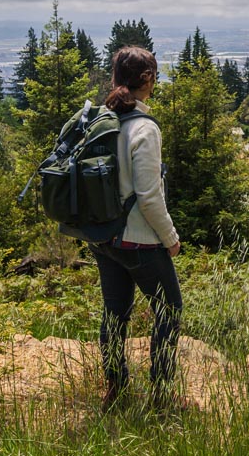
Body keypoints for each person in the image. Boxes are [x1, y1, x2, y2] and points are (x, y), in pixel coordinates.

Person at [90, 45, 182, 408]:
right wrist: (170, 238)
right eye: (154, 75)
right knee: (169, 309)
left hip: (102, 237)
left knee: (114, 313)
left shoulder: (100, 119)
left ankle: (115, 389)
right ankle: (161, 396)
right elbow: (149, 196)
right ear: (147, 79)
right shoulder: (145, 129)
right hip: (138, 242)